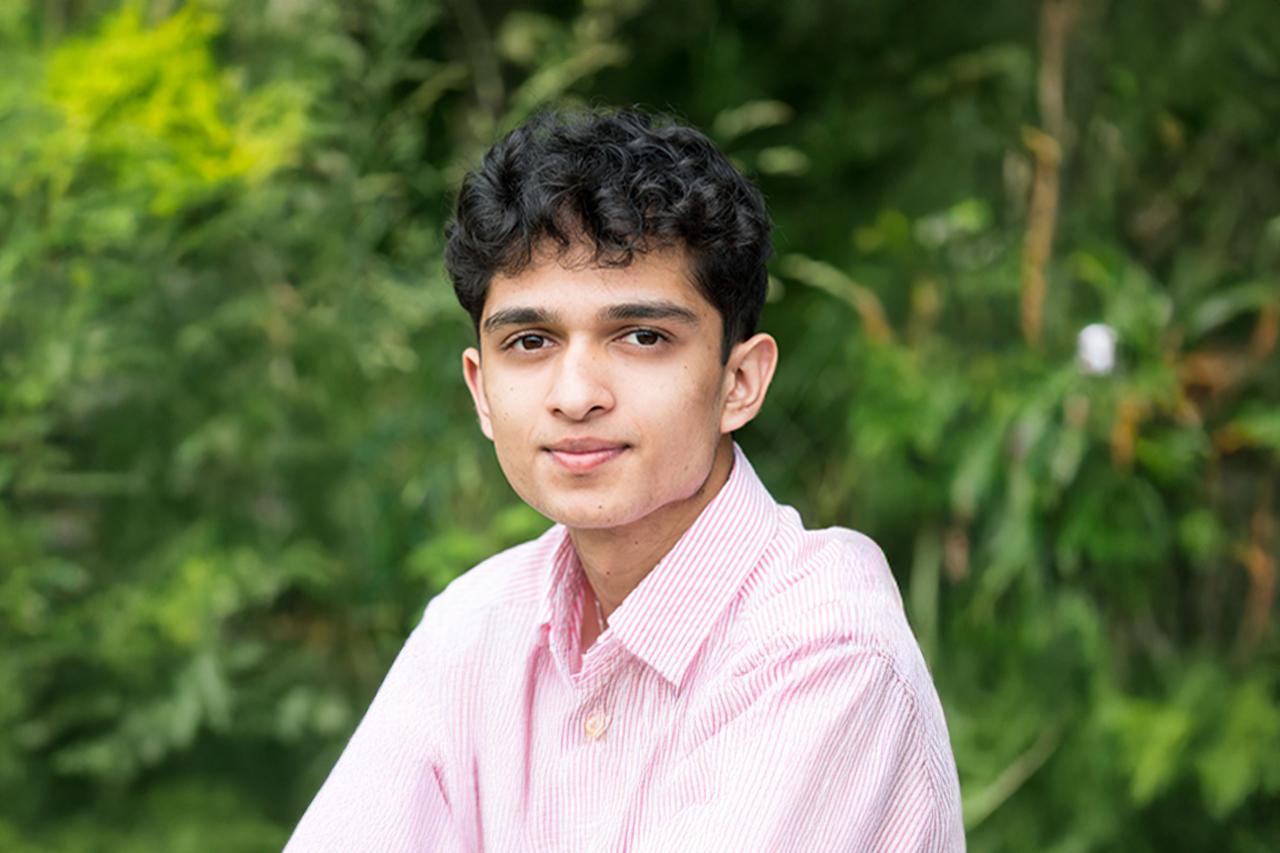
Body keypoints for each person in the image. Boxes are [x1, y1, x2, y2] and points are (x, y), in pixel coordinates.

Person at [285, 107, 964, 851]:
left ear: (739, 381)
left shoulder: (824, 651)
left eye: (642, 336)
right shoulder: (473, 629)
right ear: (480, 390)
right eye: (531, 341)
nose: (576, 395)